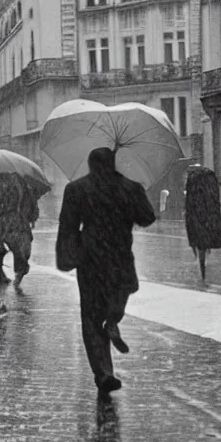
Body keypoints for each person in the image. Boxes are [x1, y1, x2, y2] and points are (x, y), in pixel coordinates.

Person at [56, 147, 156, 393]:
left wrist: (66, 255)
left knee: (90, 317)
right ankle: (112, 321)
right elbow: (147, 217)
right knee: (117, 299)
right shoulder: (130, 188)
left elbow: (67, 226)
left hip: (90, 261)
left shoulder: (77, 189)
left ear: (90, 165)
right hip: (120, 258)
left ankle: (103, 373)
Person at [184, 164, 221, 280]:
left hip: (197, 218)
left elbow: (190, 205)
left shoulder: (192, 182)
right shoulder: (209, 179)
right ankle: (202, 266)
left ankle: (202, 269)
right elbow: (214, 202)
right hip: (208, 218)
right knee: (203, 243)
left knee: (199, 243)